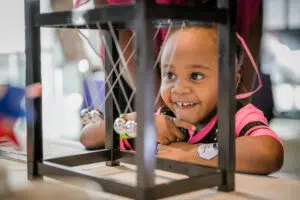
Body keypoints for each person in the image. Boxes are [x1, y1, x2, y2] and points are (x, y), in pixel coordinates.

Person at [80, 26, 283, 175]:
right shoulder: (163, 122)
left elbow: (269, 153)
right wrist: (136, 123)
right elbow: (88, 137)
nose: (178, 89)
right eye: (169, 75)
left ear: (232, 80)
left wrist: (189, 154)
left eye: (196, 76)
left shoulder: (239, 117)